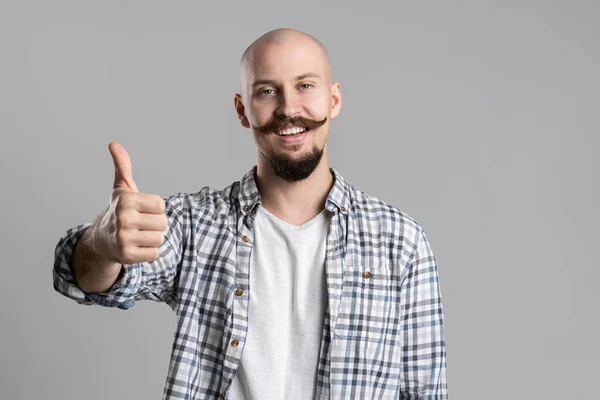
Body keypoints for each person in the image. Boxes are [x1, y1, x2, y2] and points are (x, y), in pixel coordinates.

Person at [53, 28, 448, 399]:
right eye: (266, 91)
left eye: (305, 86)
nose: (289, 108)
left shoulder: (401, 241)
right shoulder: (196, 226)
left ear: (334, 99)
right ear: (242, 110)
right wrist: (103, 245)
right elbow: (86, 280)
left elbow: (425, 391)